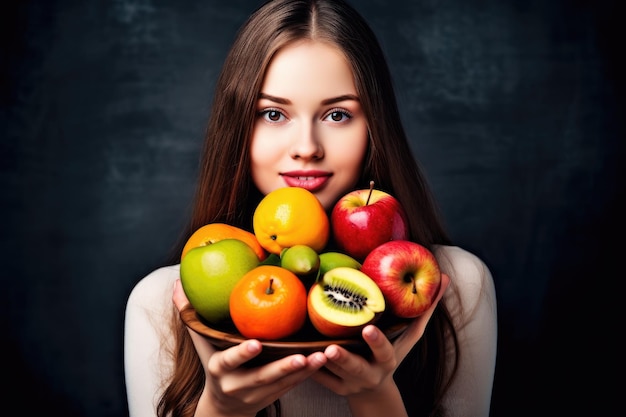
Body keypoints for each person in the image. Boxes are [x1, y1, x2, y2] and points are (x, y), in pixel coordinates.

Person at [124, 0, 498, 416]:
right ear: (237, 130)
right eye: (272, 113)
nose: (307, 148)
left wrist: (375, 397)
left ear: (375, 128)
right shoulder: (160, 304)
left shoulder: (458, 290)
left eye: (338, 115)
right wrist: (220, 409)